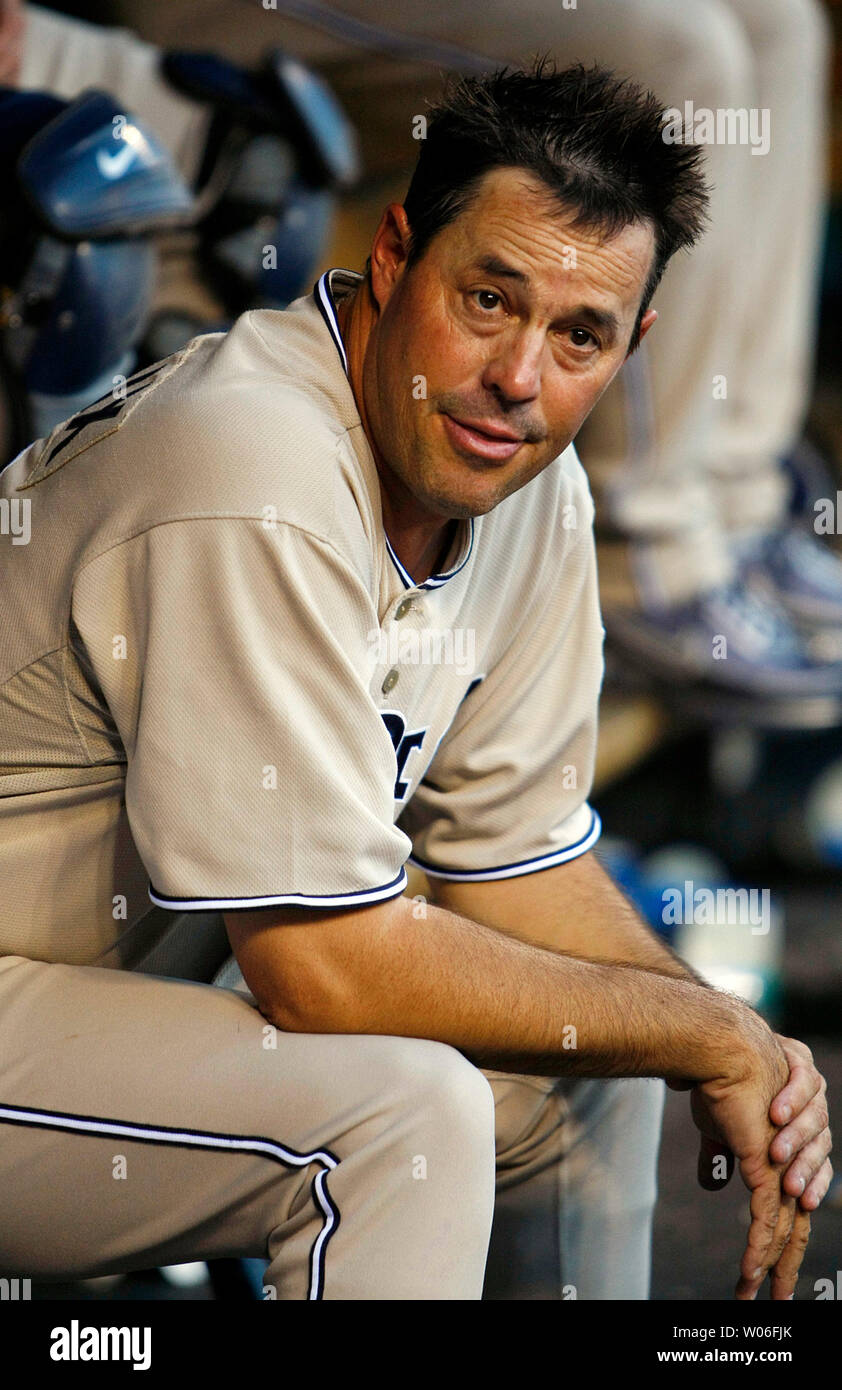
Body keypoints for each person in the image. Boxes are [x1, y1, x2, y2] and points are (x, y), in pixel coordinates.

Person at [0, 61, 831, 1301]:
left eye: (578, 336)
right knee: (402, 1117)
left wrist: (731, 1044)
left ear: (630, 343)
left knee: (574, 1074)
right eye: (488, 298)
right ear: (394, 254)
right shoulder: (252, 461)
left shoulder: (528, 486)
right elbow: (320, 970)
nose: (518, 377)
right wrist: (700, 1026)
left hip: (93, 1004)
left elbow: (518, 859)